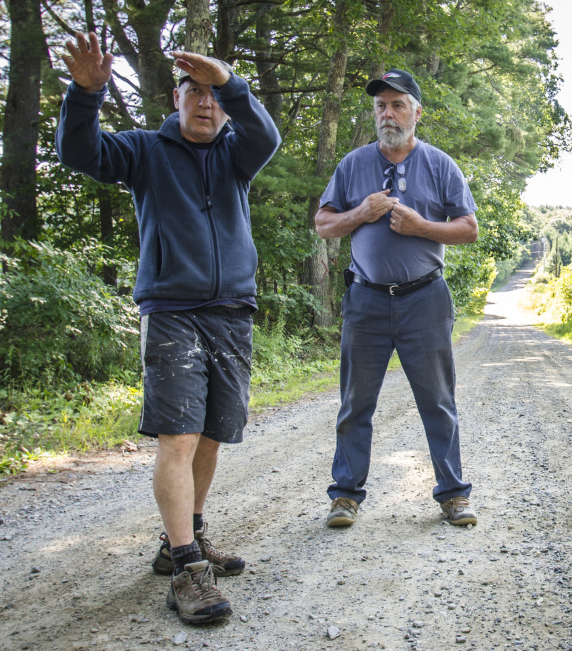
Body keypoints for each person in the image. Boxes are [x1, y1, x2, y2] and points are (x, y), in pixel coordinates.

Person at [56, 31, 281, 622]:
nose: (206, 102)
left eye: (214, 94)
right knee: (179, 435)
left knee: (211, 434)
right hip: (172, 310)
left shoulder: (237, 149)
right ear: (175, 99)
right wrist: (86, 95)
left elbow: (267, 134)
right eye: (194, 91)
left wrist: (230, 78)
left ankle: (185, 534)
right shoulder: (143, 151)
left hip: (232, 311)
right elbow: (80, 154)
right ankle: (187, 567)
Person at [315, 69, 479, 528]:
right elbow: (324, 224)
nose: (388, 113)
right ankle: (345, 496)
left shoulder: (441, 165)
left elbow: (469, 228)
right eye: (380, 106)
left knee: (438, 402)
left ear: (417, 112)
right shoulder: (352, 165)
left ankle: (454, 495)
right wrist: (360, 212)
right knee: (355, 403)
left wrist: (421, 226)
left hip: (424, 299)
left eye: (397, 104)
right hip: (365, 300)